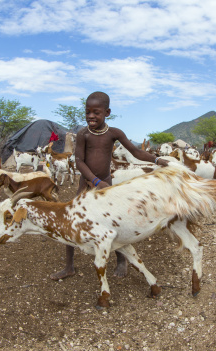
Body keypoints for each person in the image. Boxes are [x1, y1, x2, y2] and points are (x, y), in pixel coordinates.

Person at [50, 91, 170, 281]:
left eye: (96, 112)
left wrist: (157, 159)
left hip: (107, 184)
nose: (91, 116)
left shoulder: (114, 133)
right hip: (88, 184)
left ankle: (121, 260)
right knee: (72, 221)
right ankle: (69, 266)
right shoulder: (83, 135)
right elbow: (79, 162)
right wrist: (95, 182)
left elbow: (136, 152)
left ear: (107, 112)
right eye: (88, 112)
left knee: (114, 222)